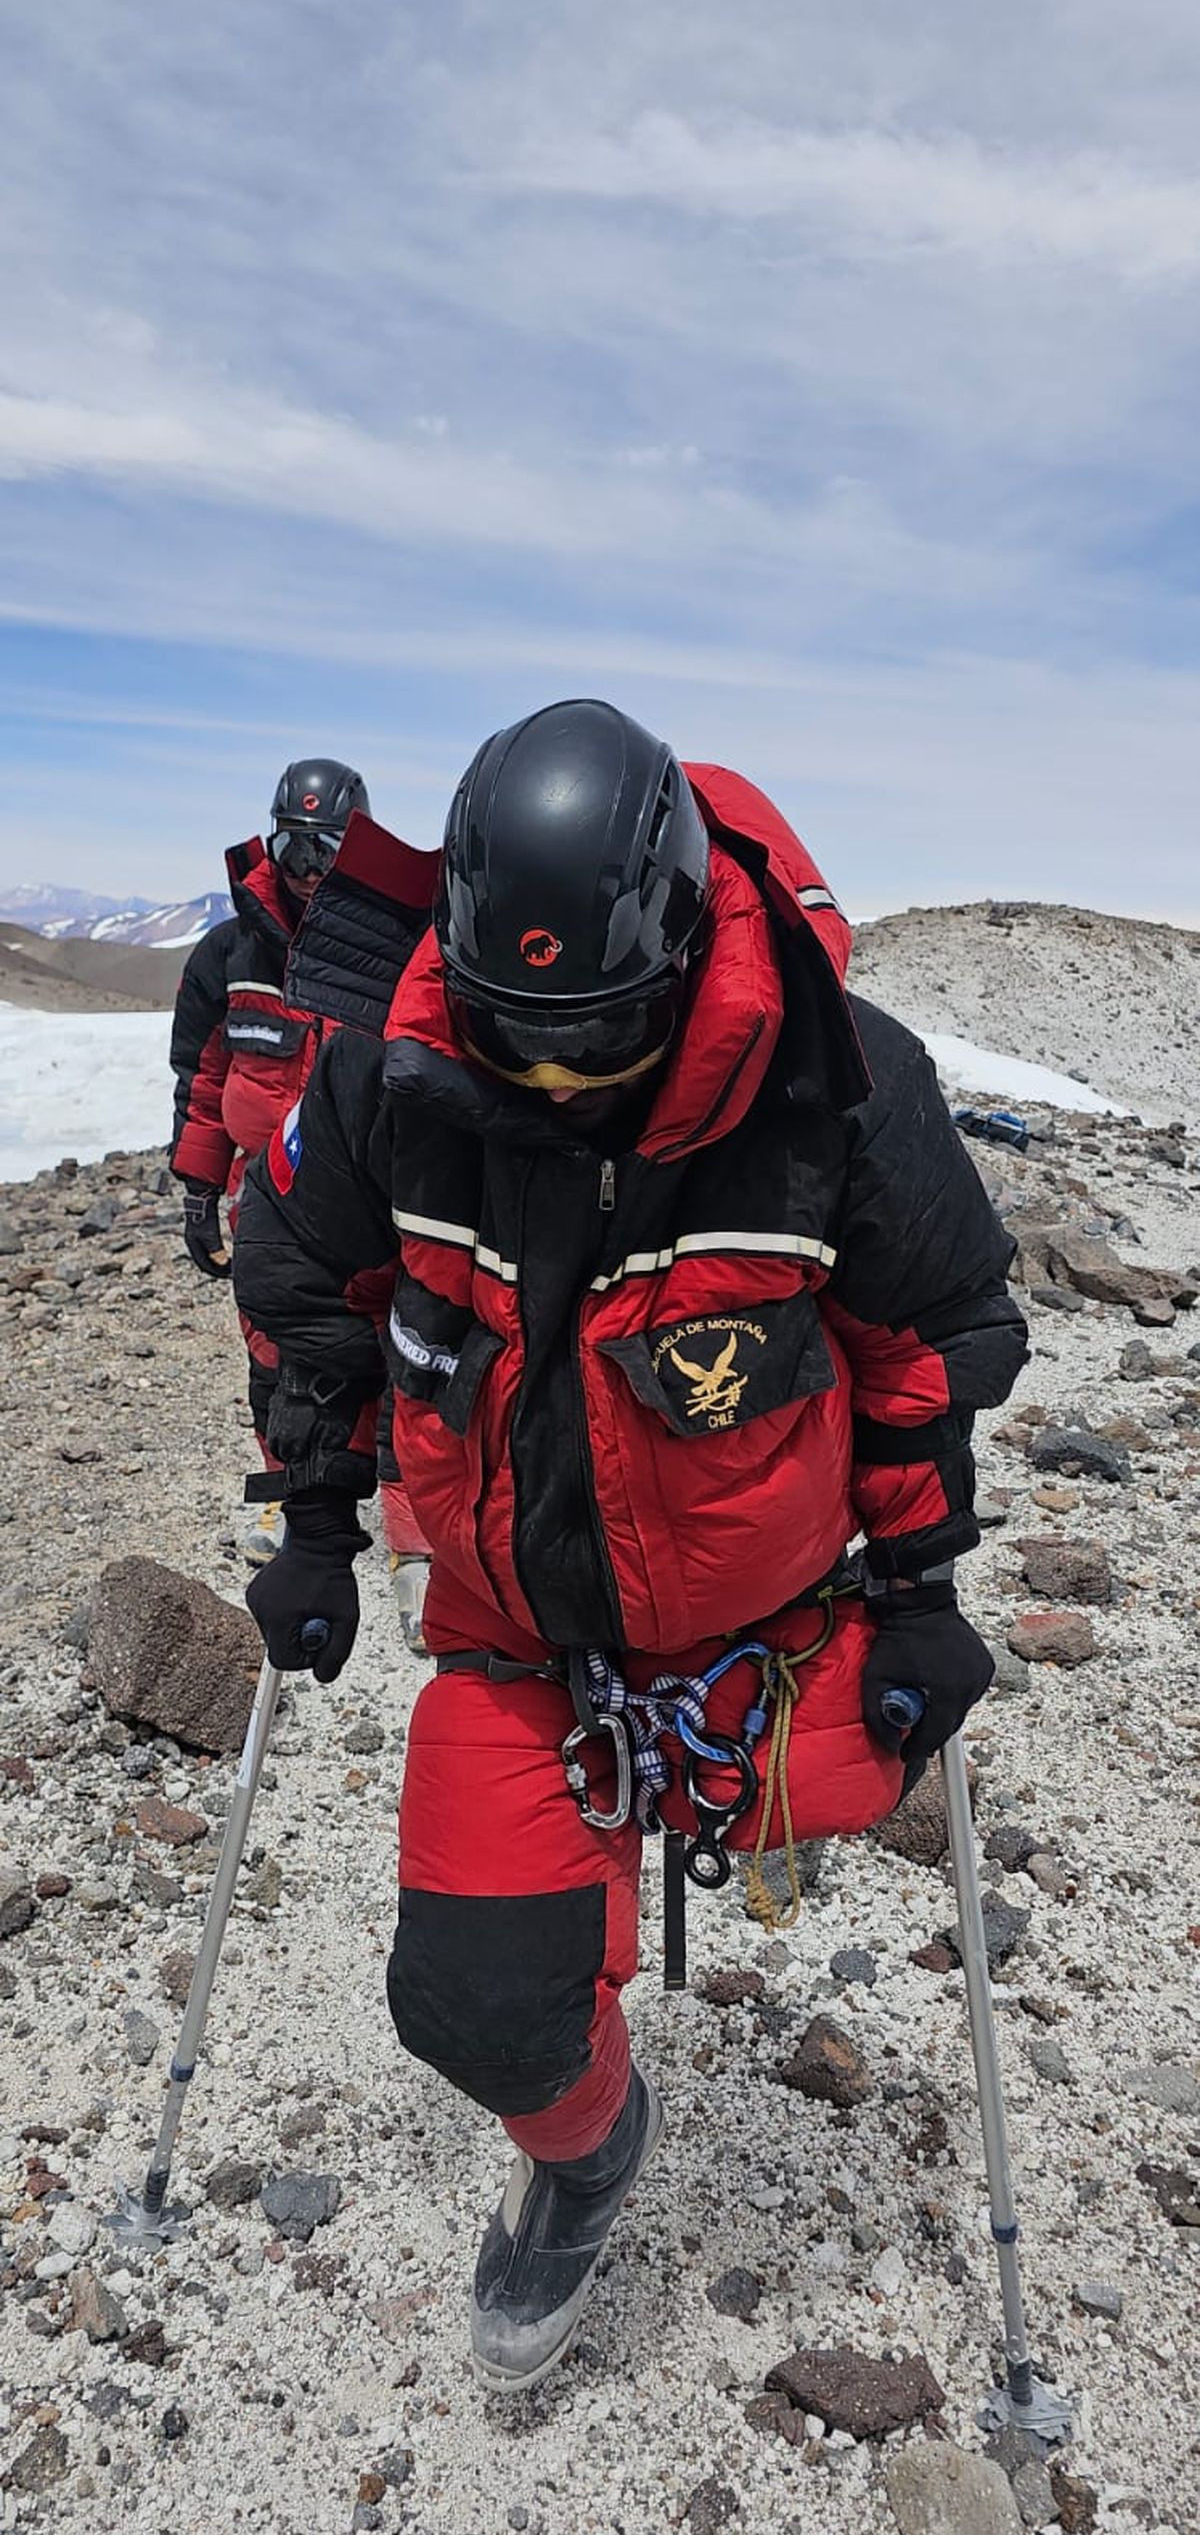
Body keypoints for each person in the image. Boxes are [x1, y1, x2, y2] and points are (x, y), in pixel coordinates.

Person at [233, 699, 1027, 2391]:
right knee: (471, 2002)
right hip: (519, 1638)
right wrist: (313, 1523)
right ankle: (590, 2148)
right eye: (521, 1035)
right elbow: (309, 1303)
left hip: (776, 1627)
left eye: (594, 1035)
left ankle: (742, 1810)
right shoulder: (390, 1072)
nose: (554, 1078)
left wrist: (928, 1588)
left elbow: (929, 1342)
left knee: (874, 1771)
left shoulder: (837, 1078)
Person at [168, 756, 432, 1632]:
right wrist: (200, 1187)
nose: (307, 867)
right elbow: (204, 1080)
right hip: (270, 1199)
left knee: (405, 1359)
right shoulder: (232, 953)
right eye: (293, 845)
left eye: (327, 849)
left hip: (373, 1196)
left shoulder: (391, 947)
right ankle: (298, 1510)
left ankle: (417, 1540)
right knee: (278, 1358)